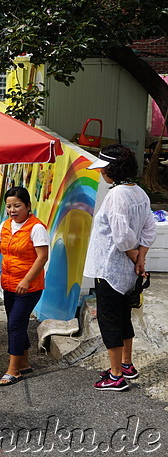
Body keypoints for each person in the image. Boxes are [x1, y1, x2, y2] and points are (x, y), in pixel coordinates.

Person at [84, 144, 156, 391]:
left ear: (111, 170)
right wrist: (141, 258)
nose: (101, 173)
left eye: (103, 169)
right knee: (124, 318)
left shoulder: (116, 195)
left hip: (110, 268)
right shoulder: (139, 193)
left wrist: (134, 254)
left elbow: (121, 234)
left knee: (110, 321)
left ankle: (116, 376)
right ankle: (126, 364)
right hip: (127, 271)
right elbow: (149, 228)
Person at [0, 187, 49, 386]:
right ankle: (23, 363)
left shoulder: (36, 228)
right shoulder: (6, 225)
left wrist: (27, 280)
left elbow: (42, 257)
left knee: (14, 325)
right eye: (9, 206)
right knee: (16, 324)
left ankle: (13, 370)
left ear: (28, 206)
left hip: (29, 287)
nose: (13, 210)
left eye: (17, 206)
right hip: (9, 284)